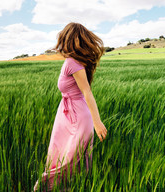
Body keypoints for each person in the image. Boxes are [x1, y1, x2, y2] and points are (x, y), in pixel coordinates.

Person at [33, 22, 108, 191]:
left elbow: (87, 92)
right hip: (68, 114)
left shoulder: (72, 63)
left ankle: (46, 187)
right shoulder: (72, 62)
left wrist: (97, 122)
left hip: (77, 116)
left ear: (68, 40)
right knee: (62, 154)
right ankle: (65, 187)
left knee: (70, 158)